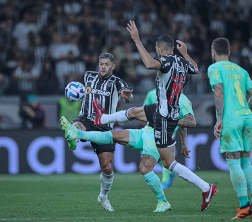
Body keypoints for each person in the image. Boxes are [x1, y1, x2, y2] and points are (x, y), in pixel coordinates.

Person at [93, 21, 217, 211]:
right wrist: (185, 53)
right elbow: (196, 69)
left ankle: (206, 187)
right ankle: (103, 119)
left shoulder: (166, 60)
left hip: (166, 118)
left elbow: (150, 63)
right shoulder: (182, 62)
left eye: (157, 50)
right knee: (135, 112)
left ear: (160, 49)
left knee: (168, 163)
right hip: (160, 109)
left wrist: (136, 40)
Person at [60, 91, 195, 212]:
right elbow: (146, 112)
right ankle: (78, 134)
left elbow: (188, 121)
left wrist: (182, 140)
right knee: (114, 135)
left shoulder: (182, 100)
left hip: (158, 137)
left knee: (148, 167)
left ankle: (165, 200)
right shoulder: (155, 93)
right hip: (146, 131)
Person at [66, 53, 133, 211]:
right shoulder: (89, 76)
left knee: (107, 168)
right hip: (86, 119)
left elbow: (127, 97)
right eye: (101, 63)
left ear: (113, 66)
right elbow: (81, 91)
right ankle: (73, 132)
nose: (103, 67)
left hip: (104, 126)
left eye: (106, 64)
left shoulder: (117, 82)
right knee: (78, 125)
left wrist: (127, 97)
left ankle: (103, 197)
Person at [208, 37, 252, 219]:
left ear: (213, 53)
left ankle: (244, 207)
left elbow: (218, 91)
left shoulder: (214, 68)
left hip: (230, 120)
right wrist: (245, 110)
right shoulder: (241, 69)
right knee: (246, 161)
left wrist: (220, 119)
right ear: (229, 53)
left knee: (233, 162)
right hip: (247, 117)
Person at [143, 88, 176, 189]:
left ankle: (165, 181)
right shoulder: (151, 93)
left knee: (165, 153)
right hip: (154, 127)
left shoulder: (173, 92)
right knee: (156, 154)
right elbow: (145, 110)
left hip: (169, 127)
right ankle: (170, 173)